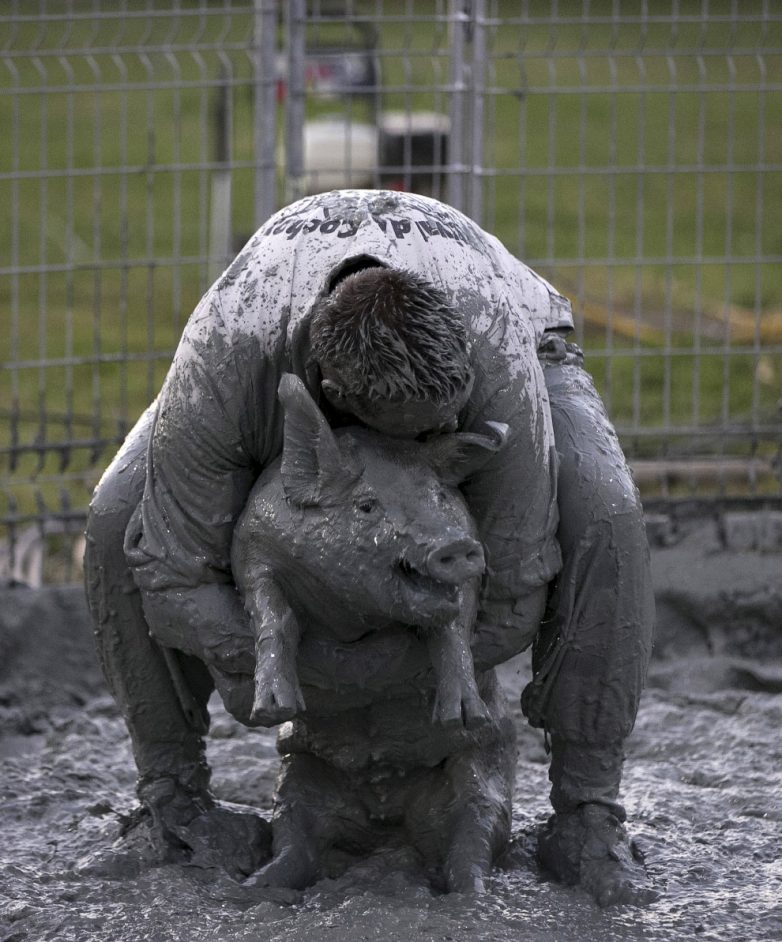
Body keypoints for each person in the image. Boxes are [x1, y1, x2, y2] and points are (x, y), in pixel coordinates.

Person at [84, 189, 655, 906]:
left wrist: (325, 675)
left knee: (607, 510)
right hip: (267, 354)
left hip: (523, 338)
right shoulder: (229, 355)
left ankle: (589, 812)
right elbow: (172, 580)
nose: (430, 443)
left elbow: (511, 591)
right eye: (415, 434)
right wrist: (268, 662)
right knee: (113, 519)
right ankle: (171, 801)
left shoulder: (490, 352)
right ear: (331, 394)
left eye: (444, 424)